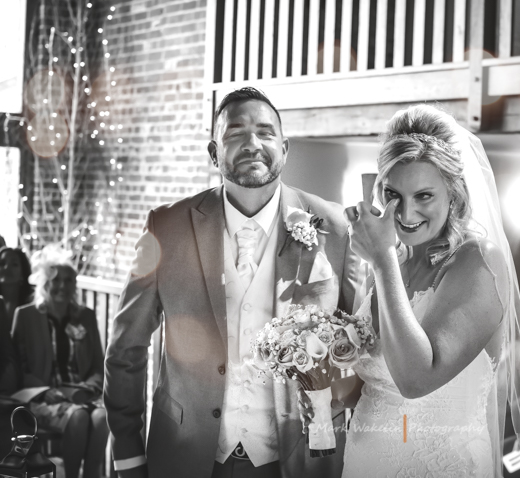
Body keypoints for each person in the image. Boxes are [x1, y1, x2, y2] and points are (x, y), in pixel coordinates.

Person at [104, 87, 360, 478]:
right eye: (235, 133)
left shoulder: (336, 229)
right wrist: (127, 453)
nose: (252, 143)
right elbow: (127, 348)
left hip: (299, 460)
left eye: (265, 131)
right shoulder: (166, 227)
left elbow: (360, 351)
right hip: (185, 455)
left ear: (285, 148)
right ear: (213, 153)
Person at [301, 105, 520, 476]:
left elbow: (416, 381)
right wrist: (323, 386)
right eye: (393, 194)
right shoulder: (393, 262)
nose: (404, 213)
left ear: (454, 194)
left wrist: (382, 260)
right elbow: (378, 382)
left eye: (424, 196)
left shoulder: (479, 261)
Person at [11, 245, 108, 478]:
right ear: (45, 283)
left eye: (69, 280)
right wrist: (45, 390)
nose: (63, 286)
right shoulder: (25, 316)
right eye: (56, 280)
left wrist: (90, 387)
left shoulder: (85, 315)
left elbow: (98, 363)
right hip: (44, 396)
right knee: (78, 417)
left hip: (82, 394)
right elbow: (17, 368)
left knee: (102, 417)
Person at [0, 247, 33, 332]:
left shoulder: (32, 306)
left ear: (23, 273)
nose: (7, 267)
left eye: (14, 264)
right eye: (2, 263)